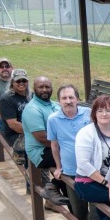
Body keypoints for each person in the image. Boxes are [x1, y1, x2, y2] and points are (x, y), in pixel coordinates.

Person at [48, 85, 107, 220]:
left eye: (71, 97)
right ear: (59, 101)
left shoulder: (88, 114)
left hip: (93, 171)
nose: (68, 101)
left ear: (77, 98)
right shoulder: (53, 119)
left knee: (97, 210)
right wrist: (58, 167)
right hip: (72, 172)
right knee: (78, 211)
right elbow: (54, 145)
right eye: (64, 98)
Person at [21, 76, 69, 206]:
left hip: (57, 146)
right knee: (72, 160)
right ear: (34, 89)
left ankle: (76, 210)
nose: (44, 90)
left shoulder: (55, 105)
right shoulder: (32, 109)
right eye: (40, 87)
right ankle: (53, 186)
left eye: (47, 87)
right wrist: (68, 147)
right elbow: (42, 138)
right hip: (41, 151)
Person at [0, 69, 31, 148]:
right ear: (12, 82)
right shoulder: (6, 99)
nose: (21, 83)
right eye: (18, 81)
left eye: (24, 81)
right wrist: (36, 132)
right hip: (16, 135)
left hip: (32, 130)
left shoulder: (31, 96)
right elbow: (14, 125)